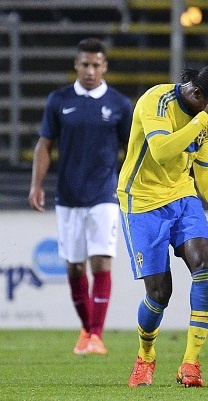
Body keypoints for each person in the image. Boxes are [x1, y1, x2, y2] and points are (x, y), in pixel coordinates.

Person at [118, 65, 208, 388]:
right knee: (159, 293)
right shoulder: (156, 101)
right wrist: (204, 118)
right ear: (197, 94)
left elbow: (204, 172)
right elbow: (161, 151)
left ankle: (190, 363)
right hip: (142, 203)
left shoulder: (206, 119)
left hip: (182, 198)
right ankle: (146, 355)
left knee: (204, 265)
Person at [28, 37, 132, 356]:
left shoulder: (119, 104)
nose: (90, 70)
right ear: (76, 65)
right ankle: (88, 331)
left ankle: (96, 335)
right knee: (74, 268)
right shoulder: (59, 100)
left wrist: (130, 186)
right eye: (85, 64)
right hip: (69, 195)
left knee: (101, 260)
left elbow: (131, 150)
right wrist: (36, 184)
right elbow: (45, 144)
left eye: (96, 65)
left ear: (105, 66)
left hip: (104, 194)